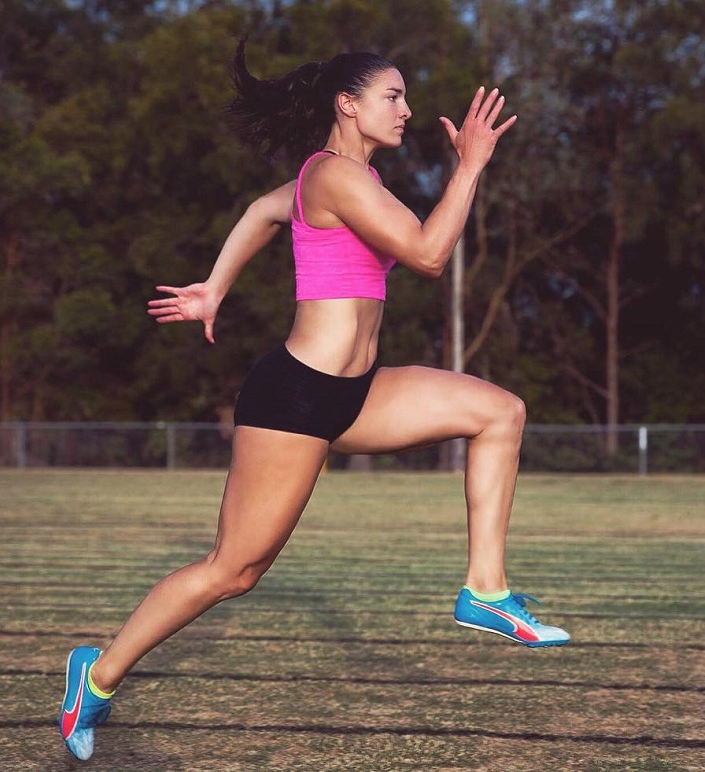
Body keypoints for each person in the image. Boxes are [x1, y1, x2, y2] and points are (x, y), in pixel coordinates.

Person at [58, 41, 570, 762]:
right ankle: (98, 674)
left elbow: (260, 212)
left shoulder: (337, 179)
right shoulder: (335, 176)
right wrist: (471, 168)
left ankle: (485, 590)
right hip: (295, 398)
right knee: (232, 571)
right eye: (393, 96)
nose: (407, 109)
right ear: (348, 104)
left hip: (358, 391)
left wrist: (215, 286)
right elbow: (428, 254)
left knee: (500, 412)